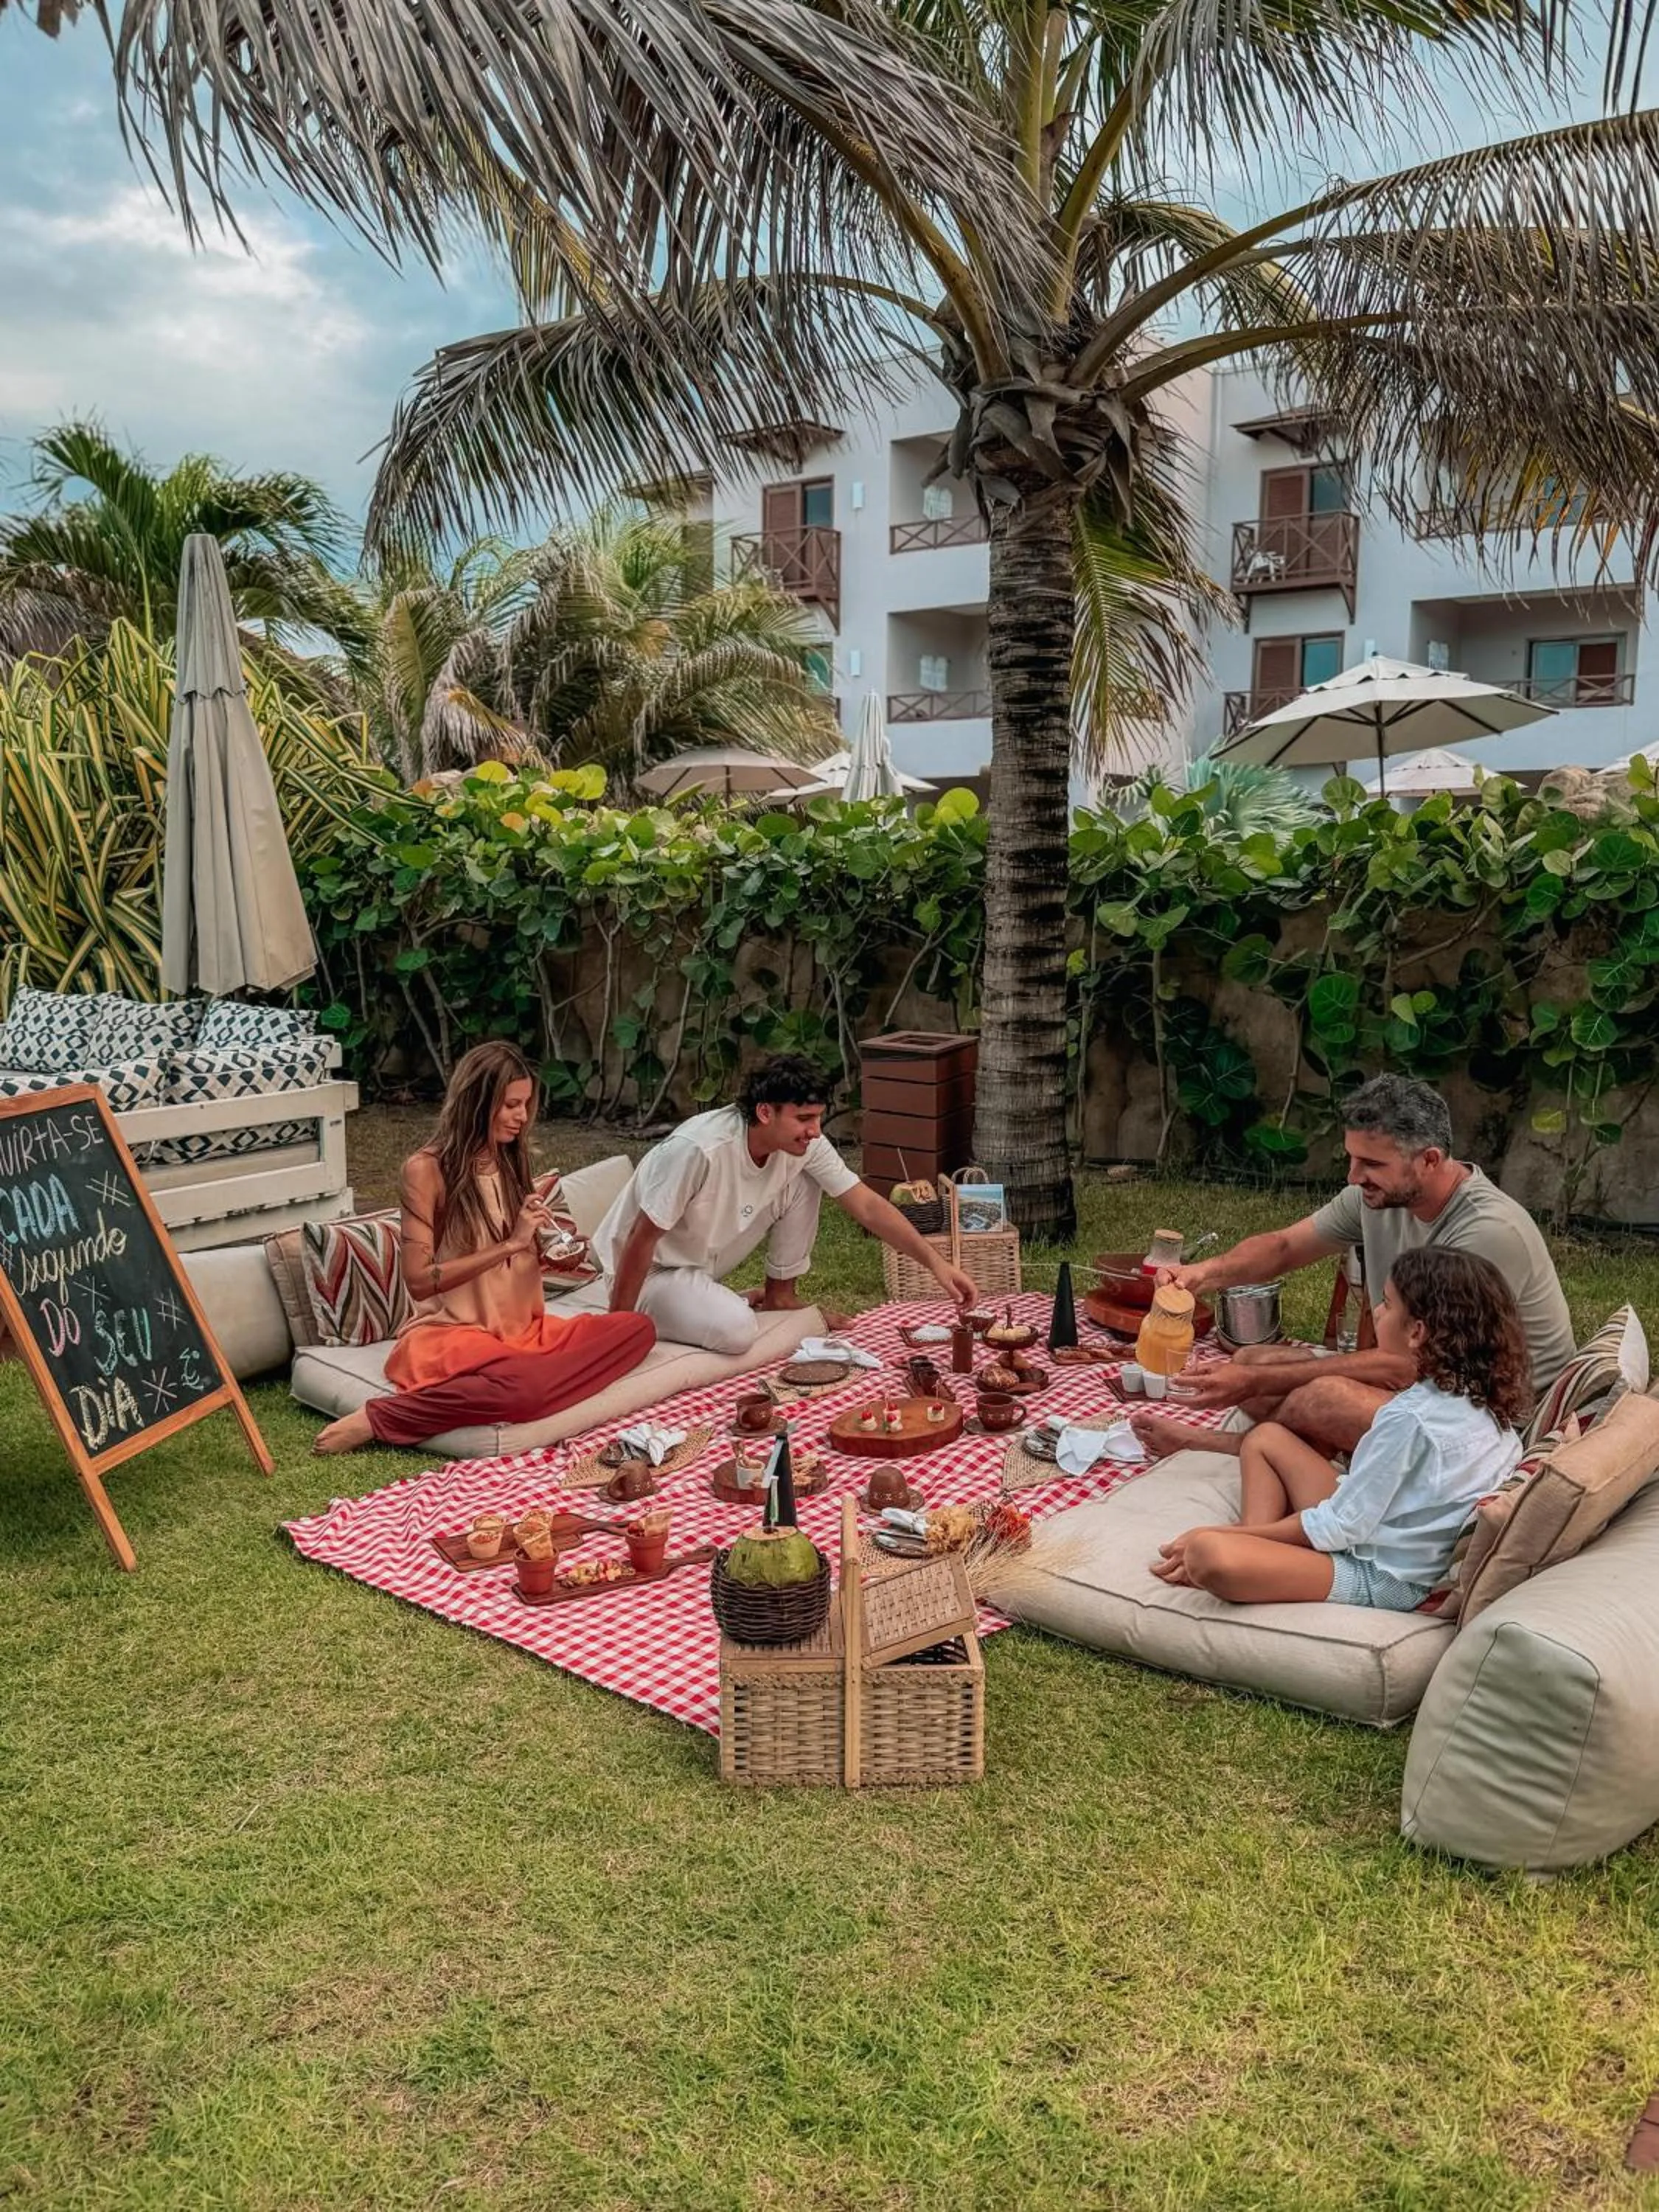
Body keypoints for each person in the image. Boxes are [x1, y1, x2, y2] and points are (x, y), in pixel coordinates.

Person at [1132, 1073, 1573, 1461]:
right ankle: (1296, 1447)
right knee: (1252, 1358)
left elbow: (1407, 1366)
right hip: (1423, 1385)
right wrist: (1201, 1275)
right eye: (1352, 1158)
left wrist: (1251, 1381)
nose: (1353, 1175)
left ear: (1431, 1160)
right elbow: (1285, 1246)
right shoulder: (1380, 1196)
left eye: (1371, 1163)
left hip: (1486, 1420)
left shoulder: (1487, 1232)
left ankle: (1231, 1447)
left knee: (1316, 1398)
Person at [313, 1042, 654, 1453]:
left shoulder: (511, 1157)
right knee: (524, 1389)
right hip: (453, 1335)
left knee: (638, 1329)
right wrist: (511, 1244)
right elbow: (419, 1282)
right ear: (477, 1101)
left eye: (526, 1104)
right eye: (511, 1105)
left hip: (528, 1334)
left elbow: (518, 1258)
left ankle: (533, 1381)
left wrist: (548, 1251)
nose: (522, 1117)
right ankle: (381, 1417)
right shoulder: (425, 1170)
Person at [1151, 1247, 1528, 1609]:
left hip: (1383, 1575)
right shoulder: (1484, 1405)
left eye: (1386, 1304)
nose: (1377, 1313)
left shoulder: (1412, 1418)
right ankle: (1260, 1551)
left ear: (1417, 1333)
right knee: (1268, 1438)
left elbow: (1343, 1528)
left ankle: (1255, 1552)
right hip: (1382, 1530)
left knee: (1208, 1555)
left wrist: (1219, 1536)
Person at [593, 1053, 979, 1354]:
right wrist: (616, 1333)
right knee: (738, 1331)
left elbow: (867, 1206)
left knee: (803, 1179)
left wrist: (937, 1263)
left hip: (700, 1262)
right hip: (648, 1272)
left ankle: (780, 1297)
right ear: (765, 1112)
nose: (815, 1131)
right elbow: (638, 1240)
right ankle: (708, 1307)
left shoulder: (802, 1145)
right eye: (804, 1119)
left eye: (818, 1118)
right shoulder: (698, 1150)